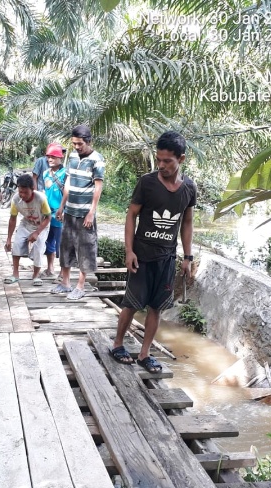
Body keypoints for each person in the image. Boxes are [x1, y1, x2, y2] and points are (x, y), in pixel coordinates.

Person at [110, 131, 196, 374]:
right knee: (132, 303)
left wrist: (187, 258)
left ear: (182, 159)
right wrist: (129, 251)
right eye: (158, 159)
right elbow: (131, 215)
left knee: (156, 307)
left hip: (167, 258)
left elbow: (187, 222)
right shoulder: (147, 183)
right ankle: (117, 345)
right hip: (142, 255)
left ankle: (145, 353)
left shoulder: (189, 188)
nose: (161, 165)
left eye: (167, 161)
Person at [52, 124, 105, 300]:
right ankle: (65, 282)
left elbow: (98, 187)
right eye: (74, 143)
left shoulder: (97, 159)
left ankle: (80, 286)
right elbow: (68, 181)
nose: (76, 147)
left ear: (89, 141)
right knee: (65, 246)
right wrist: (61, 206)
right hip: (70, 210)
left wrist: (91, 212)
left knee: (85, 247)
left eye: (80, 144)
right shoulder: (73, 156)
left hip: (85, 213)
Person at [4, 174, 51, 286]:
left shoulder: (41, 199)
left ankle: (35, 275)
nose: (22, 195)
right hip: (26, 224)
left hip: (41, 226)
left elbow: (48, 217)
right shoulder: (15, 199)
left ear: (32, 190)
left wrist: (37, 233)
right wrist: (9, 239)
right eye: (20, 191)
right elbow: (12, 219)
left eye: (25, 192)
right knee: (17, 245)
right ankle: (15, 274)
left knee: (38, 249)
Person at [41, 143, 67, 278]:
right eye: (48, 157)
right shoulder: (45, 173)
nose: (50, 159)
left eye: (53, 157)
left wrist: (63, 209)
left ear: (60, 158)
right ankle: (50, 268)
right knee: (48, 240)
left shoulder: (65, 174)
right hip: (47, 213)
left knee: (61, 243)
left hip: (60, 213)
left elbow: (67, 193)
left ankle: (63, 273)